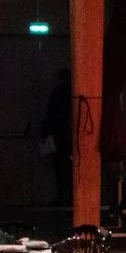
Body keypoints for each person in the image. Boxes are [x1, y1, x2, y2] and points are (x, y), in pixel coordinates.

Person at [41, 67, 72, 206]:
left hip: (59, 134)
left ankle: (61, 196)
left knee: (59, 166)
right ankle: (69, 196)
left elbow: (51, 112)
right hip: (68, 134)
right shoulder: (74, 92)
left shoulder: (57, 92)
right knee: (68, 167)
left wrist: (46, 131)